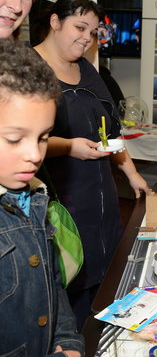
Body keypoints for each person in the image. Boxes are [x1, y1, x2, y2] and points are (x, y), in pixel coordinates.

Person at [33, 0, 150, 330]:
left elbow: (109, 131)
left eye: (93, 31)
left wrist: (131, 173)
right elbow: (22, 137)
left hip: (103, 200)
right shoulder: (29, 68)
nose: (87, 37)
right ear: (55, 22)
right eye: (79, 26)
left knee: (106, 285)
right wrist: (68, 147)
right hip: (62, 205)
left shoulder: (87, 70)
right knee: (68, 288)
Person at [0, 39, 84, 356]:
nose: (35, 155)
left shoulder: (33, 197)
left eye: (44, 137)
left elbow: (49, 282)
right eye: (14, 139)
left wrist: (68, 340)